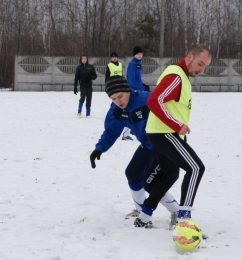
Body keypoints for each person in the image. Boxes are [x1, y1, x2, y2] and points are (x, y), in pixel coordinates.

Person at [133, 44, 212, 228]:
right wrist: (177, 125)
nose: (201, 69)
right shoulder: (176, 76)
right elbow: (154, 100)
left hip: (162, 133)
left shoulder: (181, 77)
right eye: (200, 63)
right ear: (189, 56)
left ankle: (143, 218)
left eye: (205, 66)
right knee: (196, 168)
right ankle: (184, 219)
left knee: (170, 175)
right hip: (164, 133)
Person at [90, 76, 179, 229]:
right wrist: (99, 149)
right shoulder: (116, 110)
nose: (118, 101)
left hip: (163, 145)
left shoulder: (146, 99)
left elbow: (171, 111)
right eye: (113, 98)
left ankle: (176, 211)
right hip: (147, 144)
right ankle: (140, 212)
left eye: (120, 96)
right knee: (132, 173)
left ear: (128, 90)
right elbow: (111, 131)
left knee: (151, 183)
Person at [105, 52, 133, 141]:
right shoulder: (109, 65)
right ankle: (113, 113)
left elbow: (121, 75)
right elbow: (107, 77)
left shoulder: (120, 64)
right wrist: (107, 86)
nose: (114, 58)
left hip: (119, 85)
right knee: (115, 101)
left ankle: (118, 112)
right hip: (113, 86)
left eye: (115, 57)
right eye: (112, 57)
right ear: (111, 58)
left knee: (121, 100)